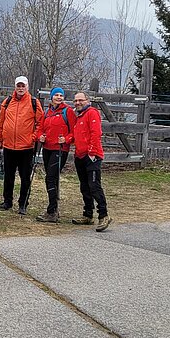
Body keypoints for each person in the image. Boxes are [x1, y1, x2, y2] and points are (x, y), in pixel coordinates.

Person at [0, 76, 43, 215]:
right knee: (9, 176)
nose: (21, 88)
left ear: (27, 87)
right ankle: (7, 202)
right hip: (9, 146)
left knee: (25, 177)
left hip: (26, 148)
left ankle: (23, 204)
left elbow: (40, 123)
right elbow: (1, 121)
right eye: (18, 86)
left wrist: (33, 138)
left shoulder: (34, 102)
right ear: (15, 87)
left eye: (23, 86)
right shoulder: (8, 101)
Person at [72, 91, 112, 232]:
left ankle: (103, 215)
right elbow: (77, 135)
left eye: (80, 100)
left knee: (94, 186)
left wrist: (92, 152)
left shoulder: (92, 113)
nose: (78, 103)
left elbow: (96, 133)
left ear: (87, 100)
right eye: (76, 101)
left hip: (92, 156)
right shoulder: (78, 116)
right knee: (84, 187)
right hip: (80, 155)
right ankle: (88, 214)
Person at [36, 87, 76, 223]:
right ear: (51, 97)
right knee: (52, 179)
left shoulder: (68, 111)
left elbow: (74, 131)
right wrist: (40, 136)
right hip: (47, 148)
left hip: (60, 149)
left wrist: (66, 139)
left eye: (61, 95)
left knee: (50, 178)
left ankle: (51, 211)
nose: (59, 97)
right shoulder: (47, 112)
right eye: (56, 95)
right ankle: (54, 209)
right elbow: (40, 128)